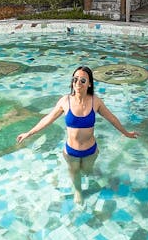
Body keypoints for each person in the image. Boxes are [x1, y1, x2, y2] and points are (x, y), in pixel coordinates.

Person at [16, 65, 137, 203]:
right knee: (74, 172)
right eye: (75, 79)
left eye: (83, 80)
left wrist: (126, 133)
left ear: (90, 83)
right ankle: (78, 191)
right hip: (71, 151)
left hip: (90, 150)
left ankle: (88, 174)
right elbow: (47, 119)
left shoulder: (95, 101)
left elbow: (112, 118)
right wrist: (28, 133)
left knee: (87, 171)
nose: (78, 83)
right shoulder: (65, 101)